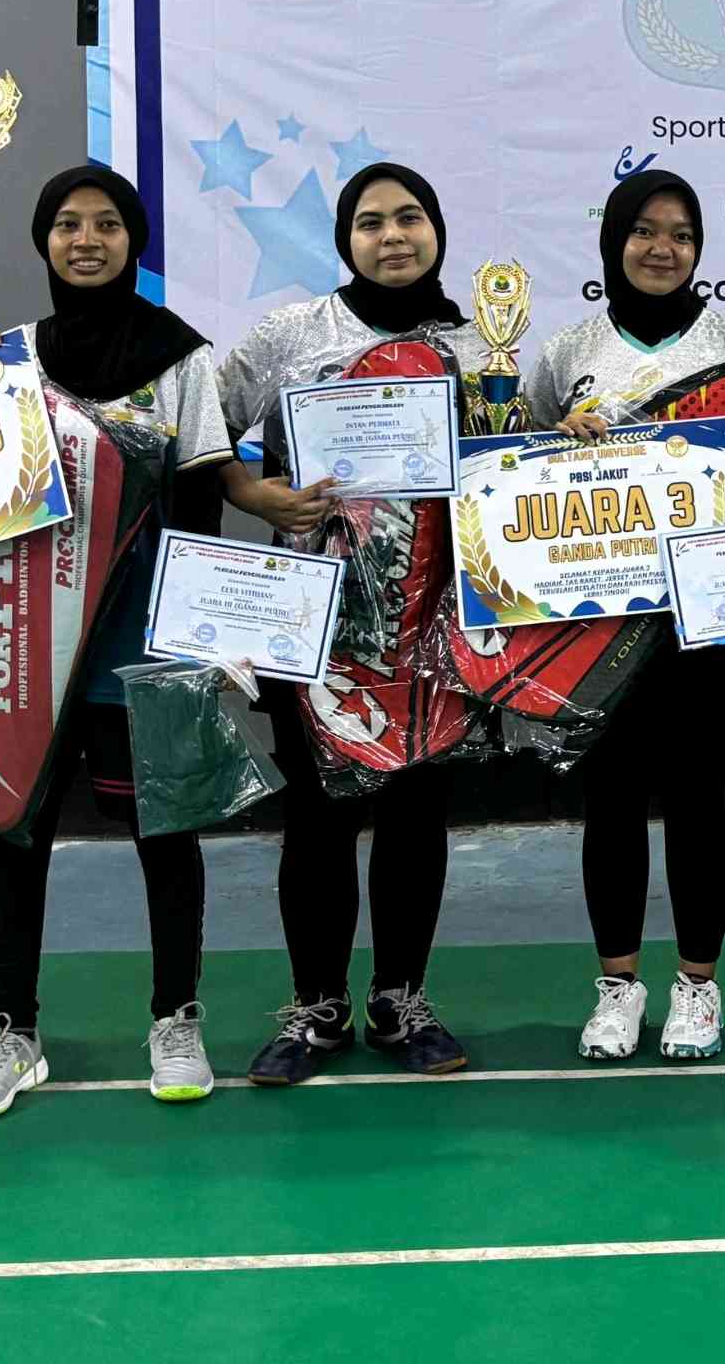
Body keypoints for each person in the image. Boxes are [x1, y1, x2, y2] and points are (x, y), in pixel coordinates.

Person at [0, 167, 238, 1119]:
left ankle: (176, 1019)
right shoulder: (14, 356)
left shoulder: (183, 359)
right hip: (30, 646)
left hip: (138, 646)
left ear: (133, 239)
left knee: (165, 834)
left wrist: (198, 642)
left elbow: (204, 504)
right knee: (15, 835)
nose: (87, 240)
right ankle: (13, 1032)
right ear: (44, 242)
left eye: (107, 224)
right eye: (67, 224)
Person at [215, 163, 488, 1087]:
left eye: (410, 217)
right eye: (371, 222)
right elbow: (199, 428)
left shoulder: (478, 343)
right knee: (318, 820)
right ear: (345, 240)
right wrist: (254, 492)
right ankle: (318, 1007)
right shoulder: (293, 336)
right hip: (315, 624)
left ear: (436, 229)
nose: (393, 236)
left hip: (436, 625)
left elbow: (510, 463)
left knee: (416, 816)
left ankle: (401, 999)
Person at [526, 170, 725, 1062]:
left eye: (681, 233)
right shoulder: (569, 351)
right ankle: (618, 988)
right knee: (611, 800)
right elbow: (528, 476)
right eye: (644, 230)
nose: (663, 249)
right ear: (614, 242)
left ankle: (698, 988)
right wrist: (559, 439)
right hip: (598, 623)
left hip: (703, 620)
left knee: (699, 799)